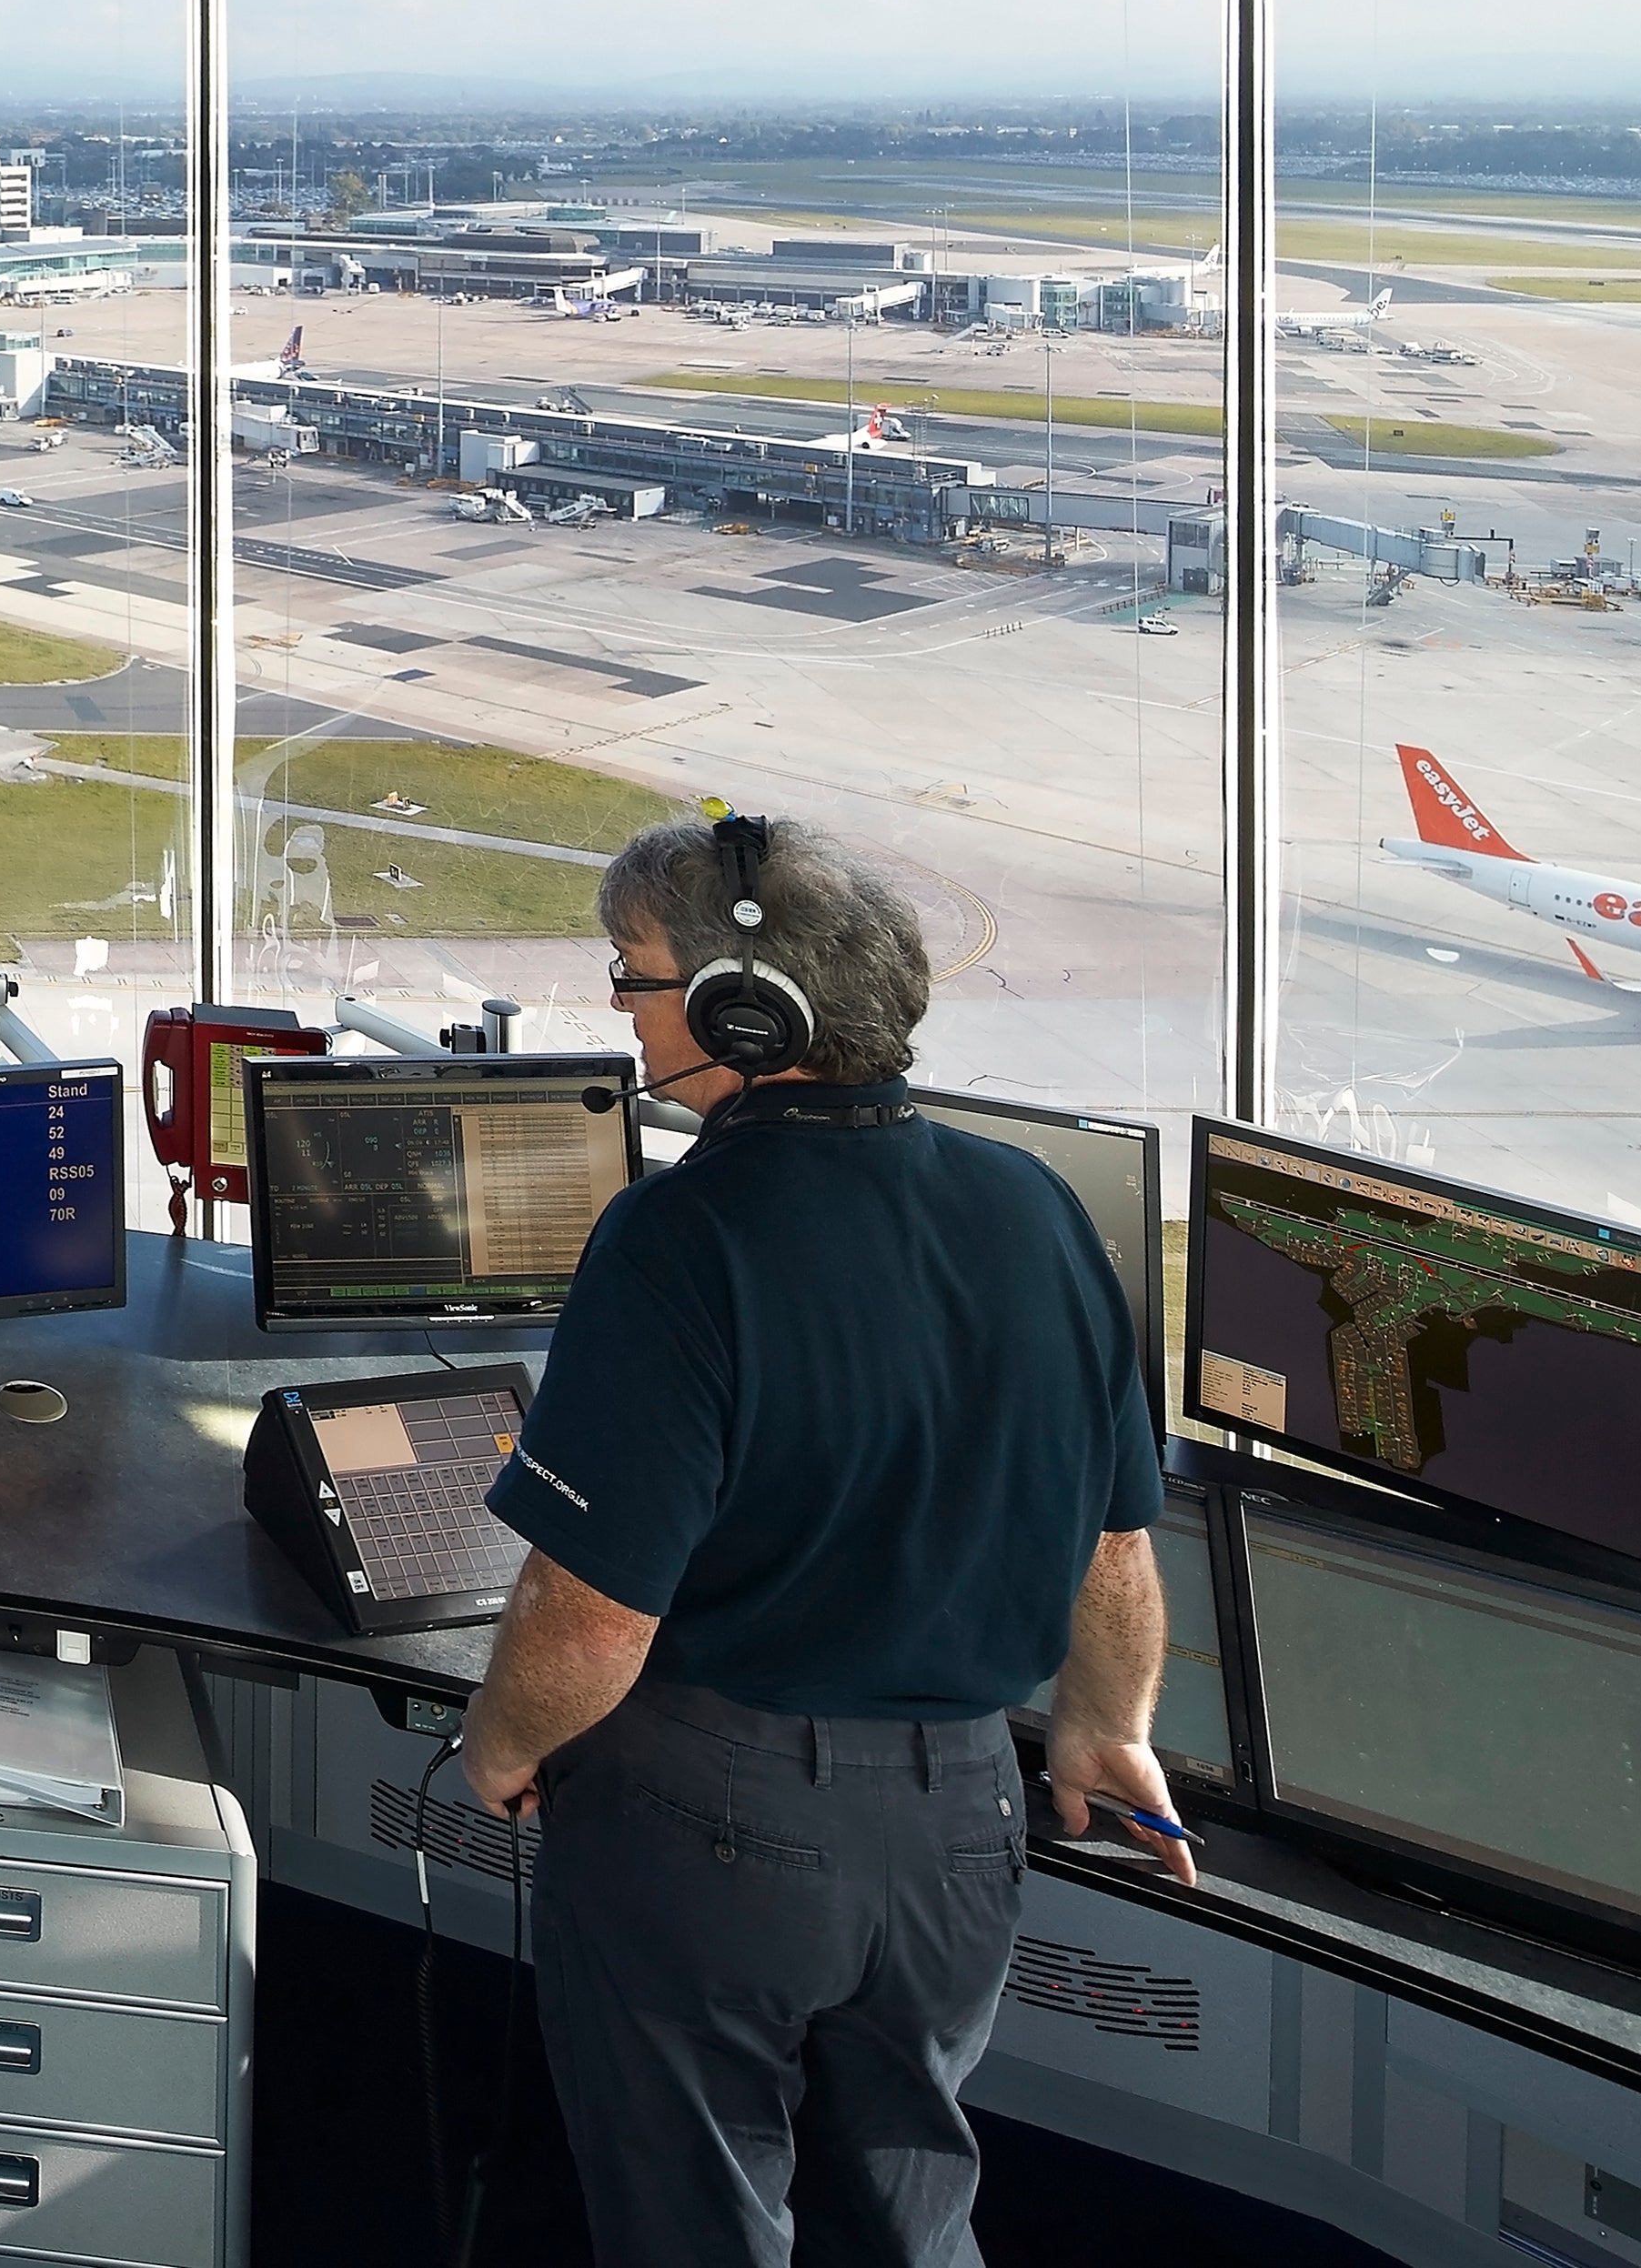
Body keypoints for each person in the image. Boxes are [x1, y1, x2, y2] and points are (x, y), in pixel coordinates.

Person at [451, 813, 1183, 2268]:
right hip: (962, 1819)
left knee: (696, 2221)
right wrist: (1103, 1725)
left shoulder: (679, 1232)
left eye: (633, 973)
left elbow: (590, 1616)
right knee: (904, 2219)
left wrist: (498, 1744)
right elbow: (1113, 1542)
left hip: (711, 1818)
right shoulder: (1032, 1204)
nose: (619, 1003)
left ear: (742, 1009)